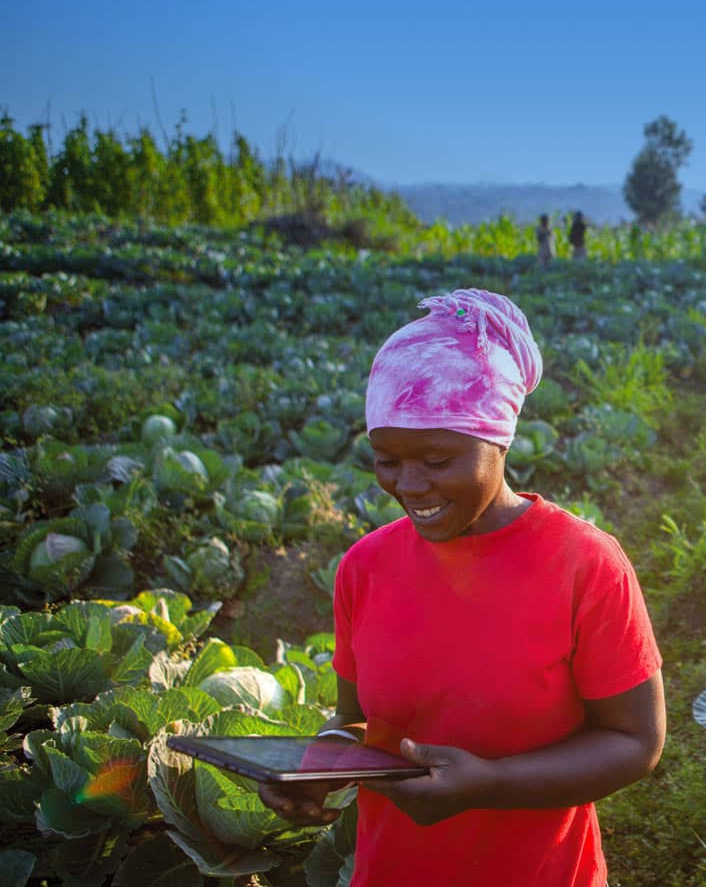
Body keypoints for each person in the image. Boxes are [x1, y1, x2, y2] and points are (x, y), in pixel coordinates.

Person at [259, 289, 664, 886]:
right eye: (387, 460)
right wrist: (318, 763)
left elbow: (635, 742)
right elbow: (355, 721)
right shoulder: (364, 566)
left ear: (497, 441)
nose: (410, 485)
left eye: (437, 458)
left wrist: (492, 786)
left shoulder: (584, 563)